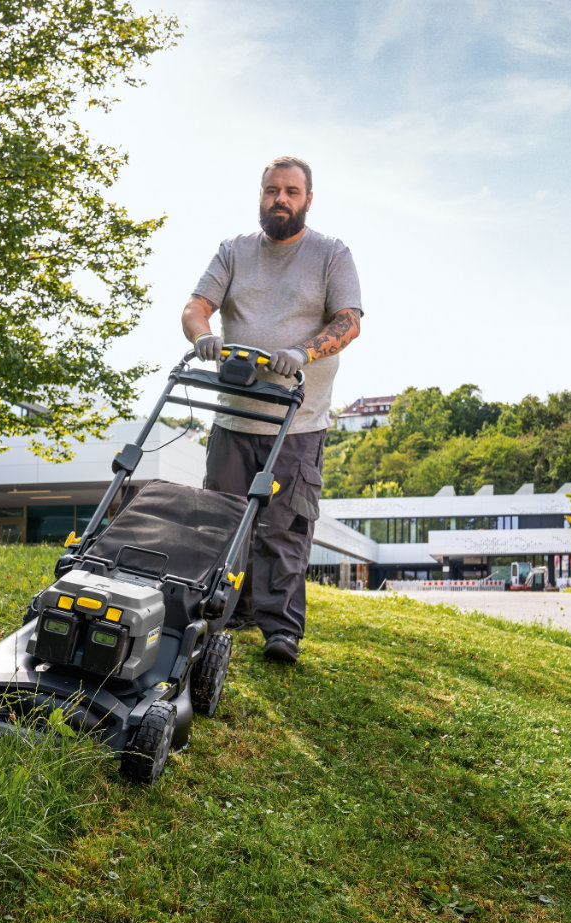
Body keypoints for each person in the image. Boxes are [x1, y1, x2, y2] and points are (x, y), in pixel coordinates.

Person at [180, 155, 363, 663]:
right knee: (222, 521)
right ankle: (221, 612)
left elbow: (349, 321)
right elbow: (195, 306)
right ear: (260, 195)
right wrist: (203, 337)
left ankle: (280, 630)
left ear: (307, 198)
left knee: (284, 526)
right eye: (271, 190)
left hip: (297, 422)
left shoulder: (331, 254)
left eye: (290, 191)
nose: (279, 199)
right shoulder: (234, 251)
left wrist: (302, 353)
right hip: (235, 417)